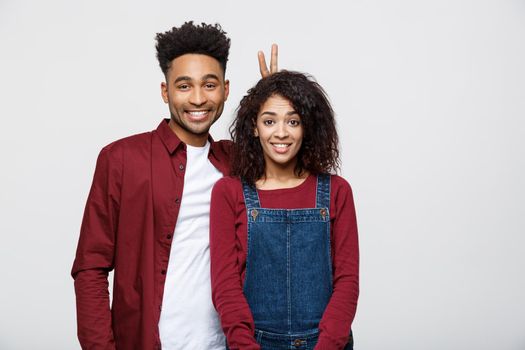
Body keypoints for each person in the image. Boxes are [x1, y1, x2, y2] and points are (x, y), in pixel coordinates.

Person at [71, 21, 278, 350]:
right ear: (165, 91)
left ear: (225, 89)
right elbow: (90, 267)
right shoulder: (122, 159)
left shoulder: (236, 163)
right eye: (184, 86)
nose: (198, 99)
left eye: (209, 85)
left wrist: (274, 104)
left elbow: (298, 178)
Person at [210, 71, 359, 350]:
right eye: (269, 121)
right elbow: (225, 286)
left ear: (307, 127)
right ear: (254, 127)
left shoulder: (337, 192)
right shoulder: (228, 193)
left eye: (293, 121)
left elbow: (347, 282)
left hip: (326, 344)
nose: (281, 133)